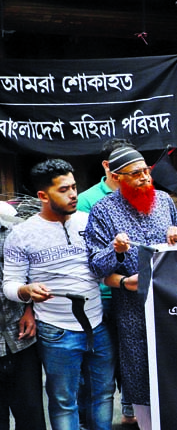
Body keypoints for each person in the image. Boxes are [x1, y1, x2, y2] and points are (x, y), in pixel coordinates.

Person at [85, 146, 177, 429]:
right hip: (133, 309)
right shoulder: (102, 211)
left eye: (146, 171)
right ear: (117, 177)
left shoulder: (163, 201)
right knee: (140, 375)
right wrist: (116, 250)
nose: (145, 178)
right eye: (136, 174)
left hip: (171, 306)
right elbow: (96, 266)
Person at [3, 159, 115, 430]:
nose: (73, 194)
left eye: (74, 187)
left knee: (103, 394)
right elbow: (10, 283)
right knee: (64, 401)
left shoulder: (90, 222)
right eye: (64, 190)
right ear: (43, 196)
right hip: (56, 330)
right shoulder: (22, 234)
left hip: (98, 323)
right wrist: (26, 291)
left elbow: (102, 268)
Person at [75, 138, 138, 425]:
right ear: (109, 169)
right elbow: (92, 255)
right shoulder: (90, 201)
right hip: (104, 298)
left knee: (135, 364)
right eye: (130, 170)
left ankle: (133, 415)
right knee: (103, 368)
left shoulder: (148, 197)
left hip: (138, 298)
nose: (140, 176)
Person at [0, 210, 46, 430]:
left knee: (31, 415)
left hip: (19, 335)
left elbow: (31, 275)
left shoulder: (13, 232)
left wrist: (30, 310)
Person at [77, 138, 135, 213]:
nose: (133, 168)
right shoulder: (85, 200)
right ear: (107, 165)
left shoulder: (144, 193)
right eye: (125, 162)